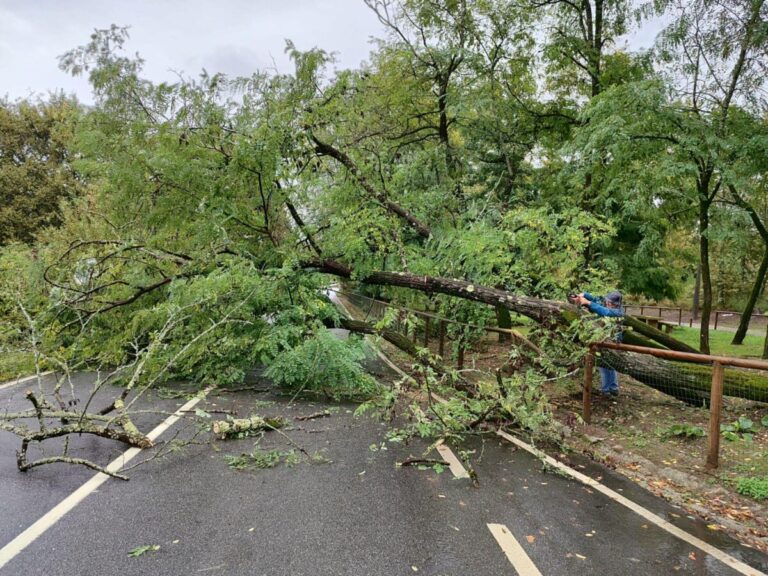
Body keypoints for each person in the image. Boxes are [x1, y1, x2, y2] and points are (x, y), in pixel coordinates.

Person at [575, 290, 624, 396]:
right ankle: (611, 388)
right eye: (608, 302)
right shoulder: (606, 303)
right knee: (607, 365)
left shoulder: (618, 312)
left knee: (606, 365)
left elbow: (605, 312)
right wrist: (584, 296)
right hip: (604, 339)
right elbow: (596, 300)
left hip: (613, 341)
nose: (607, 304)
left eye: (610, 303)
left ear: (616, 304)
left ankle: (607, 389)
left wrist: (588, 303)